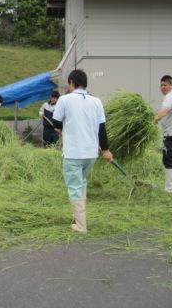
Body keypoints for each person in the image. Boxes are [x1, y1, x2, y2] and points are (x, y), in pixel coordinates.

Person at [52, 70, 113, 233]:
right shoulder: (96, 102)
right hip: (91, 153)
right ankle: (79, 217)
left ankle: (80, 225)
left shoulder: (64, 100)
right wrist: (106, 150)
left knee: (74, 187)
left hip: (73, 153)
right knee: (81, 184)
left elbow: (56, 123)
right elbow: (102, 129)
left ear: (71, 82)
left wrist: (63, 125)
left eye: (68, 83)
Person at [154, 75, 172, 193]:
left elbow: (165, 110)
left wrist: (154, 119)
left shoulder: (170, 97)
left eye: (165, 85)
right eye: (161, 85)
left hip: (171, 133)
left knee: (168, 159)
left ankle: (169, 188)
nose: (163, 87)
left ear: (171, 85)